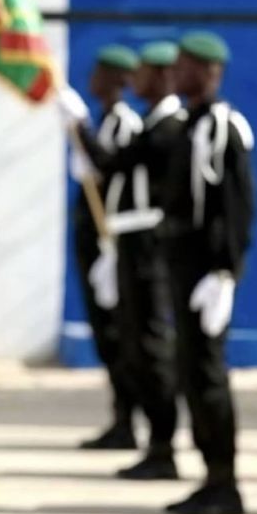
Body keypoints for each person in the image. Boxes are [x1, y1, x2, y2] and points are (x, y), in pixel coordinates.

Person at [67, 41, 187, 481]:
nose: (137, 79)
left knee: (150, 345)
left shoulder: (166, 127)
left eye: (145, 72)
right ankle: (149, 437)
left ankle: (162, 444)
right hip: (127, 240)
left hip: (147, 242)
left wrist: (80, 129)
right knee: (133, 343)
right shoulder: (153, 123)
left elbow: (115, 165)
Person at [156, 31, 255, 514]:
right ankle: (210, 476)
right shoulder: (189, 124)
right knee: (191, 374)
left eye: (185, 65)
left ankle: (225, 482)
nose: (176, 72)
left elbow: (237, 205)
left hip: (206, 272)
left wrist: (225, 272)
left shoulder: (223, 127)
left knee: (208, 374)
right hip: (183, 267)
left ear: (210, 71)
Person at [73, 45, 144, 451]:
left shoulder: (125, 124)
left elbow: (114, 169)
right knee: (105, 334)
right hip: (95, 241)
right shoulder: (106, 121)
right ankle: (120, 417)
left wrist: (81, 130)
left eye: (101, 72)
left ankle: (129, 420)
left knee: (119, 334)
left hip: (111, 243)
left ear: (120, 79)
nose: (93, 79)